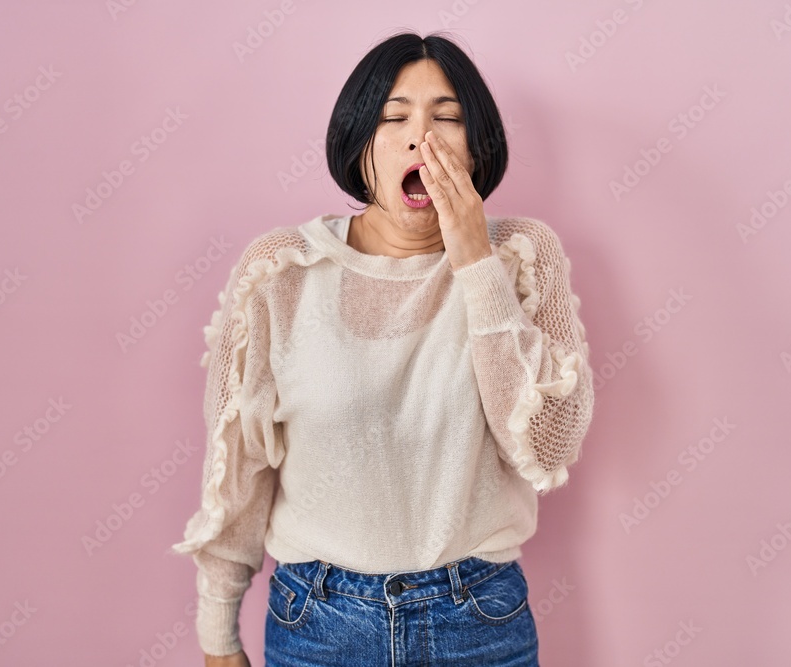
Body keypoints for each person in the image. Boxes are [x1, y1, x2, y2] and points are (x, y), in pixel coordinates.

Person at [170, 29, 595, 667]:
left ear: (476, 149)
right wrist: (217, 632)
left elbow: (547, 444)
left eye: (446, 118)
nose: (421, 138)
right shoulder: (281, 272)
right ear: (359, 144)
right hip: (318, 620)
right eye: (394, 117)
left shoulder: (522, 257)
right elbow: (238, 466)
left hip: (478, 618)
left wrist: (476, 260)